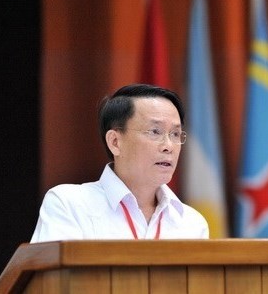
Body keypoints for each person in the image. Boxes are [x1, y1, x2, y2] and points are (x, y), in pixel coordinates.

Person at [30, 84, 209, 242]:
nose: (169, 146)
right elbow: (56, 279)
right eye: (155, 131)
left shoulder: (191, 222)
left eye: (175, 134)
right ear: (115, 142)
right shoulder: (69, 205)